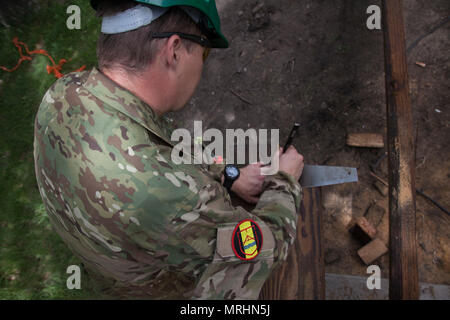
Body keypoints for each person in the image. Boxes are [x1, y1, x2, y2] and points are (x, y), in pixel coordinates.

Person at [33, 0, 304, 299]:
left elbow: (155, 144)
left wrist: (228, 176)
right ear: (174, 51)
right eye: (204, 52)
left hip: (112, 264)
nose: (203, 63)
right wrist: (283, 182)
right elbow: (257, 250)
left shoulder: (61, 94)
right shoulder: (178, 200)